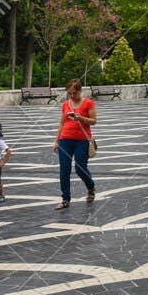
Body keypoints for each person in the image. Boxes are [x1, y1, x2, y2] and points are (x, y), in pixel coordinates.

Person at [52, 79, 97, 210]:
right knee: (64, 170)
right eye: (70, 93)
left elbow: (94, 121)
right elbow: (61, 123)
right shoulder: (66, 104)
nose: (72, 96)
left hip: (82, 140)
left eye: (74, 93)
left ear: (80, 91)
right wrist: (56, 140)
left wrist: (81, 118)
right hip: (65, 140)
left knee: (80, 168)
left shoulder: (88, 103)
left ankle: (91, 187)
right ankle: (65, 199)